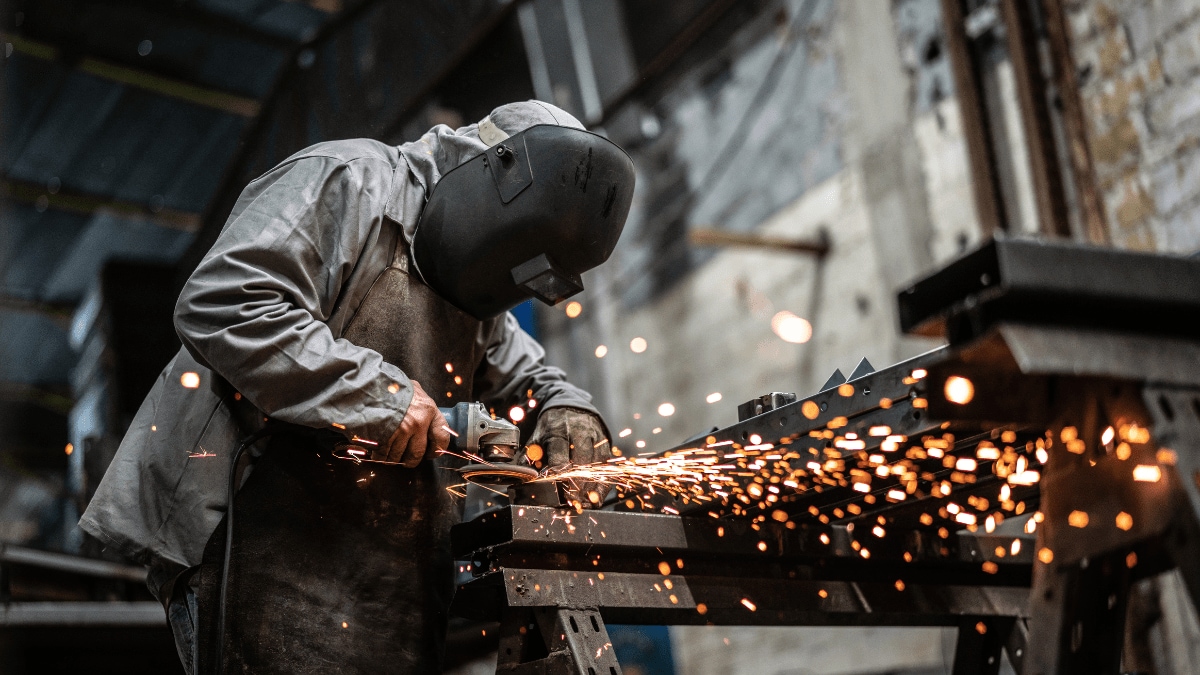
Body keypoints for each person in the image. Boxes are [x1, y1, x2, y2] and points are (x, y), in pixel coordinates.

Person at [79, 100, 635, 674]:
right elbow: (225, 300)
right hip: (259, 537)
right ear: (494, 177)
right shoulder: (348, 181)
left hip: (389, 572)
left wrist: (570, 412)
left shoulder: (479, 286)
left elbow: (533, 377)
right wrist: (380, 399)